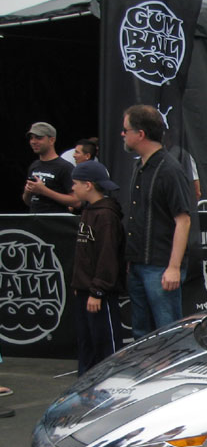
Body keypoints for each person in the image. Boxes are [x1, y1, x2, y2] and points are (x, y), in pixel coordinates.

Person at [121, 104, 196, 337]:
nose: (122, 134)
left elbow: (183, 220)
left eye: (126, 129)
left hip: (161, 266)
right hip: (138, 263)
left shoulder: (170, 170)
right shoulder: (139, 167)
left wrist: (173, 267)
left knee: (169, 332)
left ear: (140, 134)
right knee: (141, 332)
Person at [69, 160, 124, 375]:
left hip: (99, 292)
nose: (72, 188)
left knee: (105, 343)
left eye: (75, 183)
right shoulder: (89, 211)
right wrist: (80, 283)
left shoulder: (106, 216)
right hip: (85, 288)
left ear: (88, 185)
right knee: (87, 341)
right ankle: (86, 383)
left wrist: (98, 289)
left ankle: (110, 382)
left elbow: (107, 256)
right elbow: (85, 254)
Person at [22, 122, 78, 213]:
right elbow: (28, 202)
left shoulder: (65, 167)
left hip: (55, 223)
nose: (33, 141)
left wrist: (44, 191)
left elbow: (76, 202)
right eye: (31, 138)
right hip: (35, 221)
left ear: (51, 140)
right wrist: (28, 192)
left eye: (39, 138)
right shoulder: (34, 165)